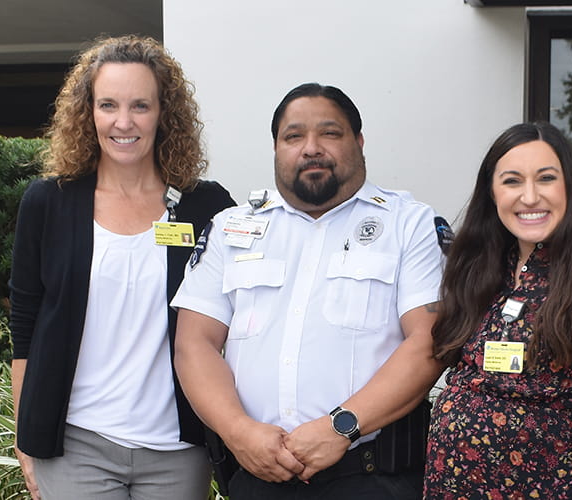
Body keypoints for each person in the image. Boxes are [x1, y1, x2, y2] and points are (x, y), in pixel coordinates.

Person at [171, 82, 446, 499]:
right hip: (258, 472)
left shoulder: (409, 225)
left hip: (370, 478)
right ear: (277, 148)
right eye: (294, 136)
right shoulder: (231, 228)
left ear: (359, 142)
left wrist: (341, 426)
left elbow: (429, 341)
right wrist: (239, 432)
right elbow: (195, 345)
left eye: (330, 133)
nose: (311, 147)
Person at [9, 35, 235, 500]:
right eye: (108, 105)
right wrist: (24, 442)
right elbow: (25, 328)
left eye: (140, 106)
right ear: (87, 112)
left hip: (177, 449)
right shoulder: (47, 203)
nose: (123, 122)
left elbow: (236, 321)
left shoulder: (206, 206)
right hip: (75, 445)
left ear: (164, 114)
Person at [424, 122, 572, 499]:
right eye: (512, 181)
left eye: (546, 178)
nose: (529, 197)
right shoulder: (482, 270)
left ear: (569, 188)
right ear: (492, 192)